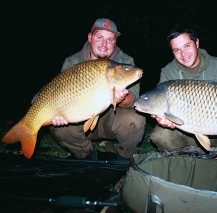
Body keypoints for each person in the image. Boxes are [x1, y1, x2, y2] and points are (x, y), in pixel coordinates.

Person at [37, 18, 146, 160]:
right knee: (59, 127)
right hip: (79, 118)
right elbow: (58, 93)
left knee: (136, 119)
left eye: (110, 39)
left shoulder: (125, 61)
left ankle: (124, 158)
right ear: (90, 37)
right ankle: (85, 155)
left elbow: (133, 100)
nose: (104, 44)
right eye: (100, 37)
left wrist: (122, 98)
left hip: (112, 120)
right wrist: (58, 114)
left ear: (115, 42)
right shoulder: (72, 62)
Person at [150, 24, 217, 152]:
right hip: (186, 132)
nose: (183, 54)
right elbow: (161, 105)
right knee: (161, 135)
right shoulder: (168, 72)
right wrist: (161, 118)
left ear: (196, 42)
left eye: (187, 46)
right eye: (177, 50)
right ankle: (186, 160)